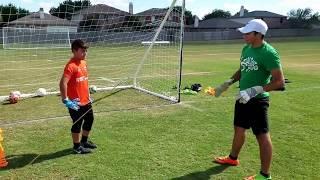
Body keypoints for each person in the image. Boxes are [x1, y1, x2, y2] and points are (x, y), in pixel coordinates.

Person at [213, 19, 285, 180]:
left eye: (247, 33)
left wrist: (255, 90)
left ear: (259, 34)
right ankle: (233, 158)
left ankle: (265, 176)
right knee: (239, 128)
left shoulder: (269, 53)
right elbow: (242, 70)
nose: (244, 35)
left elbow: (279, 82)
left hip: (258, 101)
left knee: (262, 136)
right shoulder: (246, 48)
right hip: (242, 98)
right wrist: (227, 83)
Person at [59, 39, 97, 154]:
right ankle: (76, 147)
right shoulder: (71, 66)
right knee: (78, 123)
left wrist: (88, 94)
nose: (85, 53)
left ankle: (84, 141)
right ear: (74, 51)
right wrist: (66, 100)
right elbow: (63, 83)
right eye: (82, 51)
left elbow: (84, 81)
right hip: (75, 102)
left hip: (86, 100)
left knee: (90, 119)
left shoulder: (84, 63)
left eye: (86, 51)